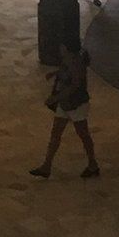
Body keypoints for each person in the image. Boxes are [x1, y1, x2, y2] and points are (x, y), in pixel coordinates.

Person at [31, 38, 99, 180]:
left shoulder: (76, 63)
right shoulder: (70, 59)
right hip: (65, 103)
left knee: (83, 134)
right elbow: (66, 74)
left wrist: (55, 98)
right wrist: (55, 74)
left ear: (67, 48)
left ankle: (92, 163)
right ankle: (46, 166)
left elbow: (73, 86)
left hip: (76, 105)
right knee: (56, 133)